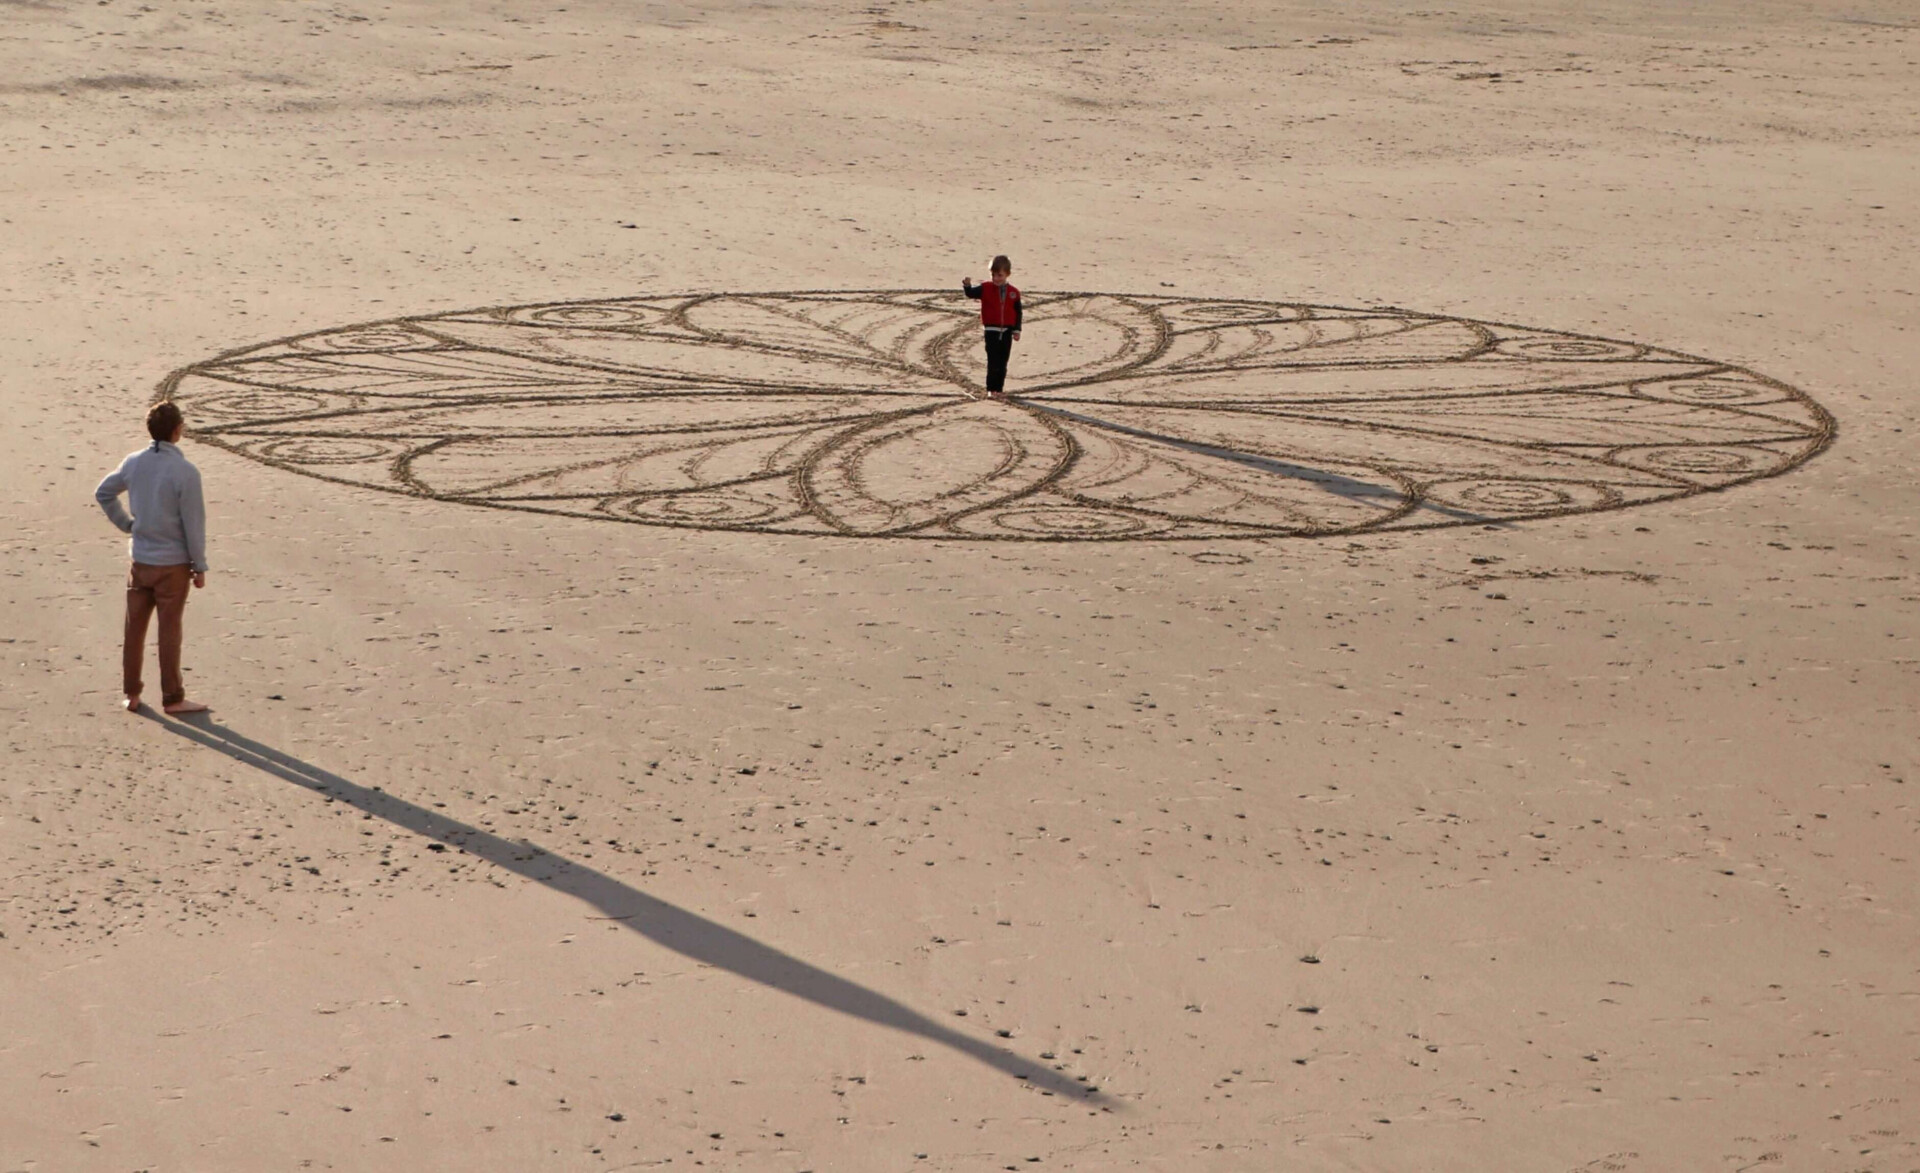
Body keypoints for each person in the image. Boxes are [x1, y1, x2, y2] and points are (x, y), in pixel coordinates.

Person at [95, 401, 211, 714]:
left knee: (134, 629)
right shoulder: (186, 472)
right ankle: (173, 697)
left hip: (141, 560)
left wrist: (127, 525)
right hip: (172, 564)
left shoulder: (133, 463)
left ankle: (131, 693)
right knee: (169, 631)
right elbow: (193, 524)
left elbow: (103, 493)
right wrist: (199, 566)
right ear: (177, 431)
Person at [962, 255, 1022, 398]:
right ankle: (991, 389)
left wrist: (1016, 329)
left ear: (1007, 274)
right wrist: (967, 286)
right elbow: (970, 293)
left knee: (1003, 362)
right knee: (993, 361)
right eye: (993, 275)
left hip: (1007, 331)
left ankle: (999, 390)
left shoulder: (1014, 292)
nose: (996, 278)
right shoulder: (985, 288)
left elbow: (1018, 312)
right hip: (991, 331)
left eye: (1000, 275)